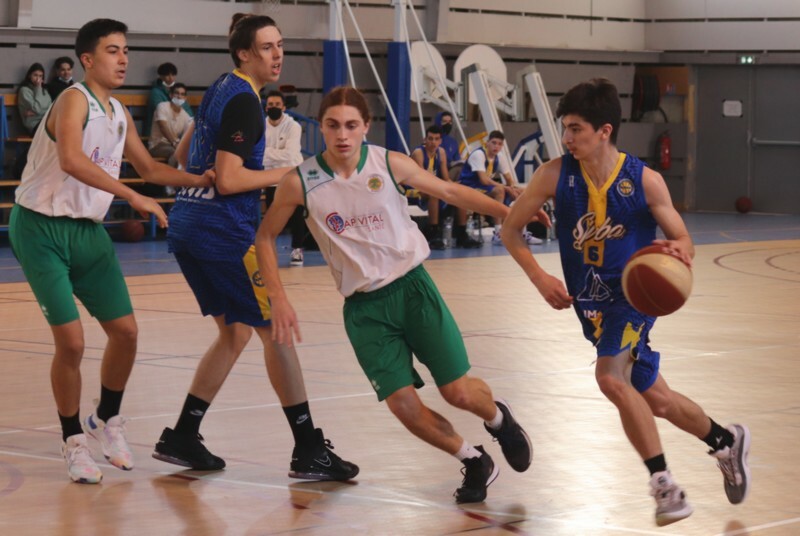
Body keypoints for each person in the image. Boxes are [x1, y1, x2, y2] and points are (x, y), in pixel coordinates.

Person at [255, 86, 544, 503]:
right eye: (333, 125)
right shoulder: (300, 181)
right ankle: (473, 459)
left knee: (458, 393)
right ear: (322, 128)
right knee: (403, 405)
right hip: (364, 308)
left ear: (365, 127)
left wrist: (510, 213)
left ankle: (500, 420)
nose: (342, 135)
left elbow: (450, 192)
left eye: (351, 125)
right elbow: (265, 237)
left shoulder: (388, 163)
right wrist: (278, 297)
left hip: (413, 289)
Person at [501, 78, 751, 526]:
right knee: (657, 400)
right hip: (590, 305)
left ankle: (665, 487)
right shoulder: (555, 175)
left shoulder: (644, 181)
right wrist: (539, 278)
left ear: (604, 131)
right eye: (565, 128)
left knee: (610, 378)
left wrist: (679, 250)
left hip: (634, 298)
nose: (567, 138)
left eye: (576, 129)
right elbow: (510, 230)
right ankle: (725, 442)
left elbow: (684, 239)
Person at [152, 14, 358, 482]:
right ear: (244, 53)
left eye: (280, 45)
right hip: (223, 232)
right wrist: (295, 174)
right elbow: (228, 181)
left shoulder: (220, 87)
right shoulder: (246, 101)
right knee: (275, 331)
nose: (277, 54)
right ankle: (308, 448)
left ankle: (182, 434)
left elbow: (183, 157)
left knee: (235, 333)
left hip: (187, 224)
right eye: (267, 47)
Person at [8, 18, 213, 485]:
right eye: (113, 51)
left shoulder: (118, 111)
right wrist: (133, 196)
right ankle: (72, 440)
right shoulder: (72, 100)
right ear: (87, 59)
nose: (123, 59)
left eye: (125, 50)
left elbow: (149, 168)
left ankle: (105, 420)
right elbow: (71, 160)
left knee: (126, 333)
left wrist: (199, 180)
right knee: (72, 343)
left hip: (88, 230)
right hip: (40, 228)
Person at [457, 130, 541, 246]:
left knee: (522, 192)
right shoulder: (479, 154)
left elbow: (509, 180)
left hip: (484, 189)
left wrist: (513, 189)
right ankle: (498, 233)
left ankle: (522, 232)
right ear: (487, 143)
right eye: (494, 143)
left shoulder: (499, 157)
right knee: (500, 190)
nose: (496, 146)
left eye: (499, 144)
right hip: (469, 187)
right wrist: (506, 188)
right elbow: (483, 180)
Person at [262, 89, 306, 266]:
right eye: (270, 105)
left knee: (297, 216)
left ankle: (297, 250)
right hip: (270, 177)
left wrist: (267, 153)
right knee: (271, 216)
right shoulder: (260, 126)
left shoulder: (293, 126)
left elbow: (291, 154)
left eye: (277, 104)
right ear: (266, 107)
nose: (274, 107)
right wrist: (275, 154)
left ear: (284, 107)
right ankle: (268, 249)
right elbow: (256, 155)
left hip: (292, 175)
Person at [410, 124, 451, 250]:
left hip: (431, 185)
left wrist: (455, 187)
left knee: (458, 193)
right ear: (425, 139)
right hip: (413, 187)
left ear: (440, 141)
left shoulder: (441, 152)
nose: (433, 142)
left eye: (436, 139)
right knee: (434, 193)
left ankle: (461, 232)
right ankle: (434, 232)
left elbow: (446, 177)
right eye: (430, 139)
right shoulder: (419, 153)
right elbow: (421, 178)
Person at [143, 62, 194, 137]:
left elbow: (189, 113)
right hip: (158, 133)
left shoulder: (178, 91)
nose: (171, 78)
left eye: (173, 75)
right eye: (167, 75)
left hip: (176, 131)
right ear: (161, 76)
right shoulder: (155, 92)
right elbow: (161, 114)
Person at [148, 82, 193, 167]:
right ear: (171, 95)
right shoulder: (162, 106)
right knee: (176, 153)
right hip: (157, 145)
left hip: (174, 145)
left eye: (182, 94)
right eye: (176, 93)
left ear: (185, 98)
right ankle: (172, 175)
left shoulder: (185, 116)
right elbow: (163, 126)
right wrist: (175, 143)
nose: (179, 96)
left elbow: (188, 136)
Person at [17, 62, 52, 134]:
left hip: (46, 121)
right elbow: (37, 109)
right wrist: (38, 88)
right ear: (29, 75)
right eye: (35, 75)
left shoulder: (44, 90)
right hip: (34, 125)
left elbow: (50, 108)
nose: (38, 79)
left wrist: (37, 113)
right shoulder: (24, 90)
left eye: (40, 76)